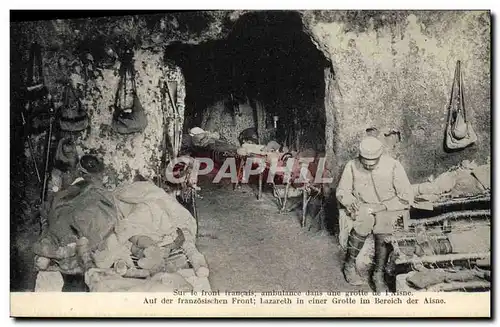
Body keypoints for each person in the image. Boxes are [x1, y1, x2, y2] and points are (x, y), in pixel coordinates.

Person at [336, 136, 414, 291]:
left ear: (380, 156)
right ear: (360, 156)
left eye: (373, 162)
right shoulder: (351, 166)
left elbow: (406, 196)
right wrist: (351, 201)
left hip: (388, 207)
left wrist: (383, 206)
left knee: (383, 225)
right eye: (365, 161)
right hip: (365, 206)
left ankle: (377, 274)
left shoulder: (393, 166)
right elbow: (342, 191)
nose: (368, 165)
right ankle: (349, 264)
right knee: (363, 221)